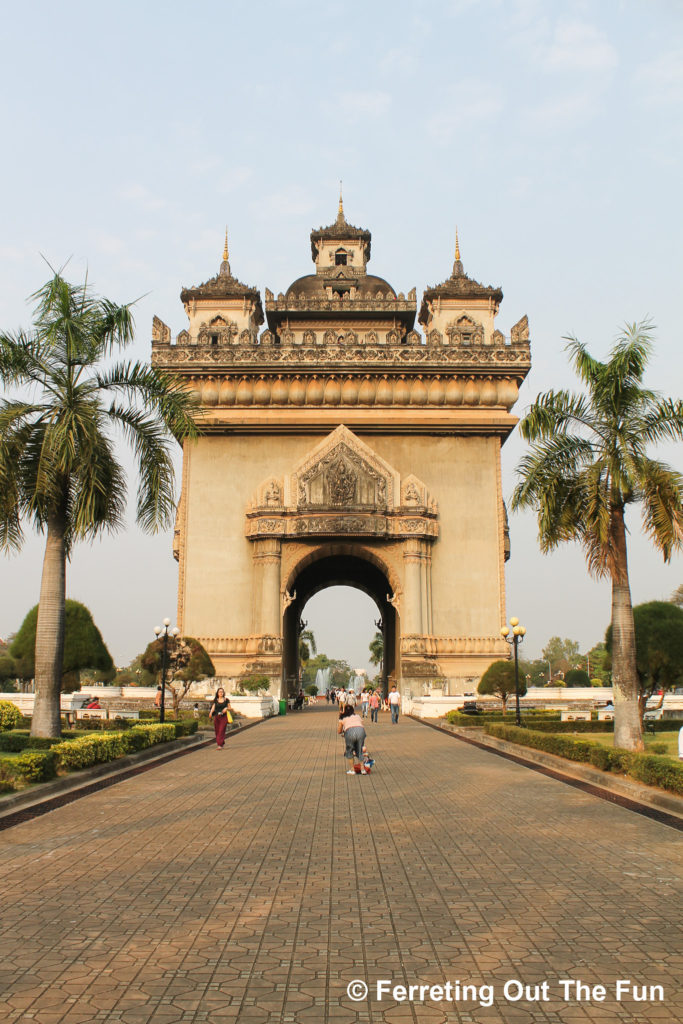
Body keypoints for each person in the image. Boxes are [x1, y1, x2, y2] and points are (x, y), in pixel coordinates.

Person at [337, 705, 367, 774]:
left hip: (350, 733)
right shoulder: (358, 716)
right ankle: (363, 769)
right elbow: (361, 725)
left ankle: (352, 770)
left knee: (349, 750)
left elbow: (339, 731)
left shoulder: (343, 718)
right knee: (360, 750)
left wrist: (344, 732)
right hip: (361, 731)